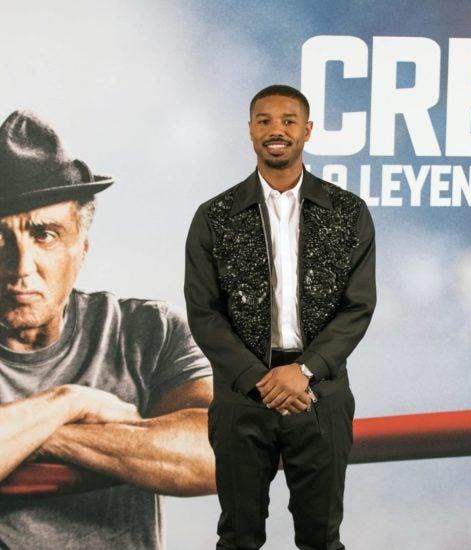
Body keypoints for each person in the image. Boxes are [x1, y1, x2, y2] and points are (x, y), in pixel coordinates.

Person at [0, 110, 215, 549]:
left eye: (45, 235)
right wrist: (68, 402)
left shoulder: (146, 332)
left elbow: (223, 453)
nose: (21, 268)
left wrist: (38, 435)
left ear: (81, 248)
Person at [185, 84, 376, 550]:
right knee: (237, 537)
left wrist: (304, 371)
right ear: (250, 130)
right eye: (265, 120)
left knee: (321, 537)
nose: (277, 130)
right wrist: (259, 379)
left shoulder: (348, 212)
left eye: (288, 121)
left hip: (321, 394)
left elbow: (358, 307)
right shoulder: (214, 215)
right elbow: (203, 312)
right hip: (241, 396)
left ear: (307, 131)